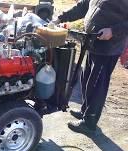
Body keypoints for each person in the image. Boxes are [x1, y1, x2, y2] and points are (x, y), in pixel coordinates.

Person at [53, 0, 128, 134]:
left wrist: (113, 31)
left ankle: (89, 123)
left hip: (109, 47)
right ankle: (85, 110)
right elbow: (83, 6)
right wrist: (60, 18)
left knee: (97, 85)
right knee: (86, 79)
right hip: (92, 42)